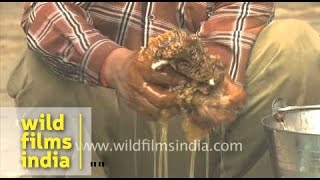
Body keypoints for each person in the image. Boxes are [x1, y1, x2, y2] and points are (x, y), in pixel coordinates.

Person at [7, 2, 320, 177]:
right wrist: (114, 64)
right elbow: (44, 11)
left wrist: (211, 83)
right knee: (39, 68)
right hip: (109, 140)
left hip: (207, 146)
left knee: (294, 44)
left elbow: (234, 28)